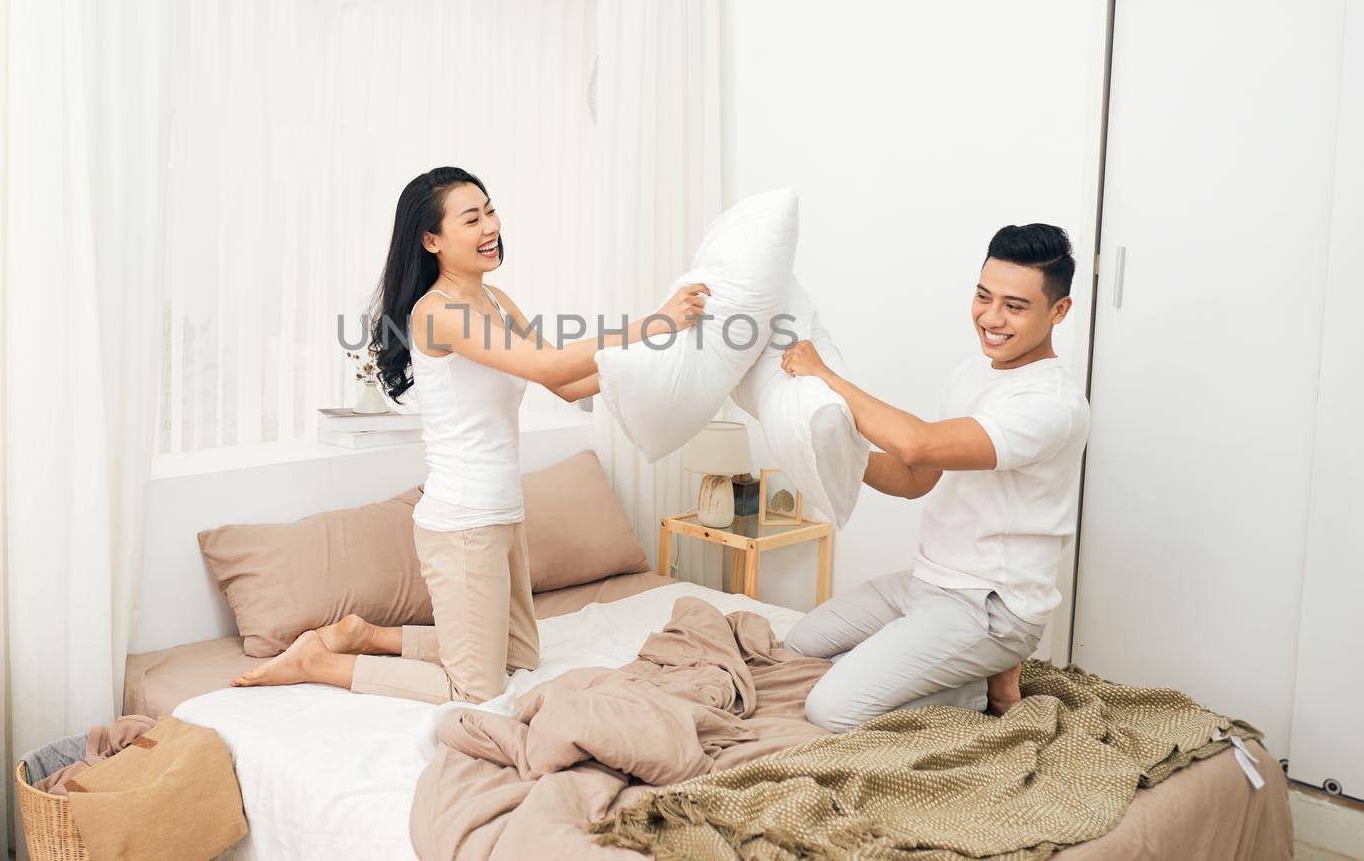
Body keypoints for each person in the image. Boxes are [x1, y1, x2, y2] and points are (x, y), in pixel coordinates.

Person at [234, 165, 707, 702]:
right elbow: (548, 365)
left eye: (490, 211)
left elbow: (568, 385)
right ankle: (320, 661)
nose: (490, 226)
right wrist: (656, 322)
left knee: (520, 656)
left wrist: (663, 361)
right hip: (462, 522)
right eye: (471, 218)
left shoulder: (498, 302)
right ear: (431, 240)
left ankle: (365, 634)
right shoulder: (438, 314)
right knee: (474, 690)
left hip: (503, 513)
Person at [778, 223, 1091, 732]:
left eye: (1014, 306)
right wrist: (827, 451)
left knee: (829, 707)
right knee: (800, 645)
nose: (991, 318)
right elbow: (914, 477)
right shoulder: (971, 373)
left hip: (991, 607)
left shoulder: (1052, 405)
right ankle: (967, 669)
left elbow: (917, 442)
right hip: (930, 582)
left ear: (1059, 311)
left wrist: (826, 377)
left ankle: (973, 688)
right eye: (983, 296)